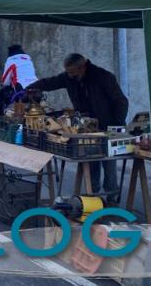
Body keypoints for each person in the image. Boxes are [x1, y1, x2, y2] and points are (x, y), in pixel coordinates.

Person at [26, 53, 128, 202]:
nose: (70, 75)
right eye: (68, 72)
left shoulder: (103, 77)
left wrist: (116, 125)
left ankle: (112, 199)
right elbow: (50, 82)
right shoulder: (69, 77)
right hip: (84, 128)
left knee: (109, 164)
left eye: (72, 72)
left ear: (83, 67)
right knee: (91, 163)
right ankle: (94, 198)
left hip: (106, 127)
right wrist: (29, 89)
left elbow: (121, 102)